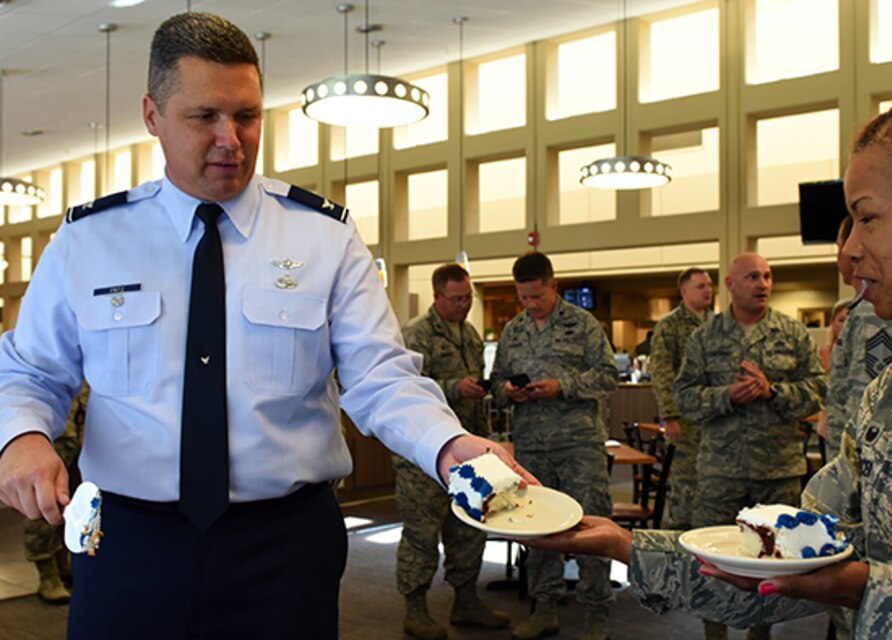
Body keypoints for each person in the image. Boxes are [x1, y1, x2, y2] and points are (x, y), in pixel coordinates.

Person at [0, 13, 530, 639]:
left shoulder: (323, 237)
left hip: (284, 548)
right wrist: (22, 437)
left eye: (247, 116)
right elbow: (32, 370)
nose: (231, 138)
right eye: (205, 117)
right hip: (126, 541)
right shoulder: (88, 240)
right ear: (153, 115)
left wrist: (447, 444)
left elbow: (380, 376)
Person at [523, 84, 892, 638]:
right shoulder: (891, 393)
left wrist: (869, 594)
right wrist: (625, 545)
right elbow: (793, 561)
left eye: (868, 218)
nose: (849, 249)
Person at [674, 252, 826, 640]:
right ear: (731, 284)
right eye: (753, 277)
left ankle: (761, 634)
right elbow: (685, 397)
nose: (763, 284)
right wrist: (727, 396)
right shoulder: (705, 337)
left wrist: (772, 391)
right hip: (718, 471)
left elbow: (818, 391)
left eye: (768, 276)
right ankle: (714, 633)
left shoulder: (791, 333)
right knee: (711, 562)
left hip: (777, 471)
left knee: (771, 564)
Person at [491, 251, 618, 640]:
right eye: (523, 298)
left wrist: (563, 387)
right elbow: (494, 386)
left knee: (590, 526)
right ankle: (544, 607)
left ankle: (597, 613)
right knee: (537, 529)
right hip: (532, 447)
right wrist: (510, 392)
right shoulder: (513, 331)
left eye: (537, 297)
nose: (530, 304)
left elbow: (608, 375)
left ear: (553, 286)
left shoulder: (582, 324)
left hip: (579, 444)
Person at [394, 264, 508, 639]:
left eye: (468, 298)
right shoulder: (416, 334)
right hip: (424, 456)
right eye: (457, 299)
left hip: (469, 450)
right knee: (422, 533)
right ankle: (415, 608)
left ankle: (466, 601)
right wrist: (454, 387)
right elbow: (405, 390)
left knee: (469, 529)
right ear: (437, 297)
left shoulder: (471, 334)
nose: (464, 305)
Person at [822, 216, 892, 460]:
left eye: (839, 246)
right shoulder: (865, 306)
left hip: (864, 462)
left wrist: (854, 466)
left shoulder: (873, 312)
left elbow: (868, 402)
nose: (840, 254)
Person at [648, 267, 715, 530]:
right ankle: (683, 533)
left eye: (709, 285)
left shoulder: (719, 323)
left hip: (716, 417)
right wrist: (670, 415)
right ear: (684, 291)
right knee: (687, 481)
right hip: (686, 419)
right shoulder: (670, 326)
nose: (708, 290)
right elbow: (662, 372)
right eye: (701, 286)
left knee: (715, 482)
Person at [23, 383, 87, 604]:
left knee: (71, 502)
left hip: (79, 428)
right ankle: (46, 574)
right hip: (49, 431)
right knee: (44, 500)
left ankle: (62, 562)